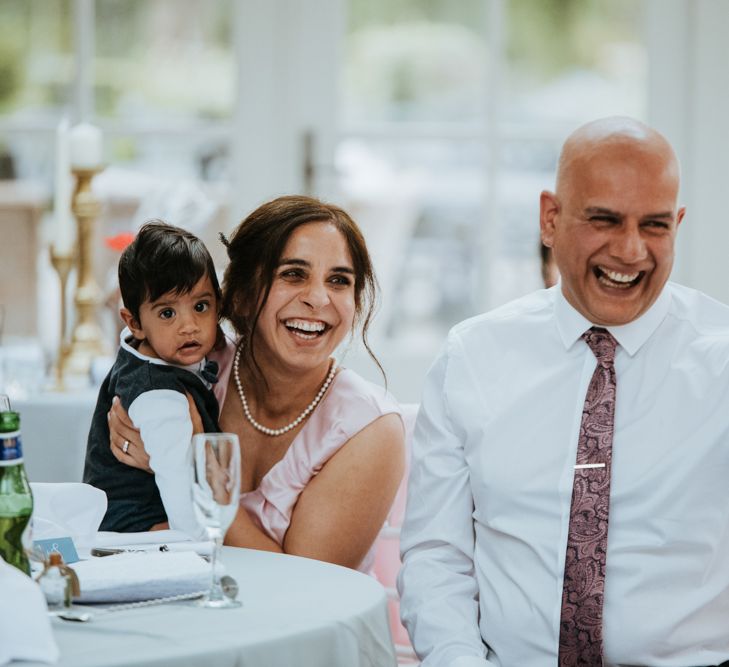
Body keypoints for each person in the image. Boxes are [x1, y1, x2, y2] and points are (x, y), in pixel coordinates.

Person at [398, 116, 729, 666]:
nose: (630, 250)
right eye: (604, 219)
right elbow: (437, 556)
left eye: (655, 226)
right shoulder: (473, 357)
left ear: (679, 223)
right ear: (550, 218)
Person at [107, 195, 406, 572]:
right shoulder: (188, 368)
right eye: (293, 274)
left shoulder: (371, 430)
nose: (317, 298)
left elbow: (307, 582)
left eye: (339, 280)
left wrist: (191, 469)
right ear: (244, 294)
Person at [84, 221, 222, 536]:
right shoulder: (159, 394)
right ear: (134, 323)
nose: (189, 326)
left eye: (201, 306)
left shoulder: (148, 358)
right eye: (167, 313)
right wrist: (205, 542)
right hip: (138, 537)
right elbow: (180, 491)